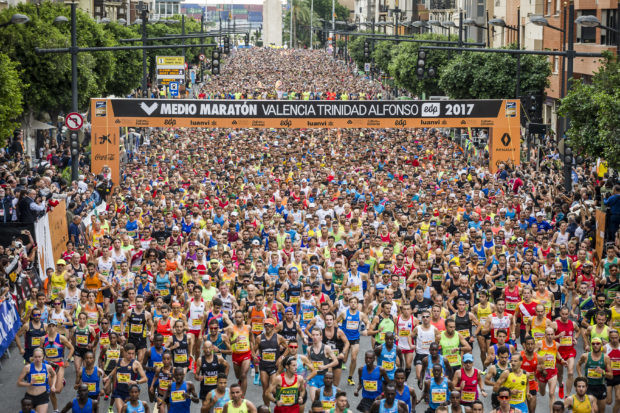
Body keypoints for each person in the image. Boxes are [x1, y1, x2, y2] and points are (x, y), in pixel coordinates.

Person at [576, 337, 612, 413]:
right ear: (591, 345)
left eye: (598, 343)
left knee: (601, 411)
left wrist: (603, 372)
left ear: (601, 345)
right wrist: (580, 376)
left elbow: (611, 375)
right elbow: (578, 364)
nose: (595, 345)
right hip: (589, 386)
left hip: (601, 386)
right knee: (594, 409)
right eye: (593, 344)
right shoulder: (585, 356)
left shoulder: (606, 358)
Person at [16, 348, 57, 413]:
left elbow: (54, 375)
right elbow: (18, 383)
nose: (37, 359)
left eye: (39, 357)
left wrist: (53, 385)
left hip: (42, 396)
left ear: (43, 357)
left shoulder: (47, 367)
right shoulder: (27, 368)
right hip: (29, 397)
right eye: (35, 357)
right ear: (33, 357)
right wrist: (29, 384)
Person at [225, 310, 253, 395]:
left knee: (243, 375)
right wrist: (234, 341)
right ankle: (240, 381)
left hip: (246, 354)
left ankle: (242, 397)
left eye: (240, 317)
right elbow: (227, 342)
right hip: (236, 355)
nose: (238, 319)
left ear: (243, 318)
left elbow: (251, 339)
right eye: (236, 317)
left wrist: (254, 352)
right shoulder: (231, 329)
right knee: (238, 376)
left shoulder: (248, 327)